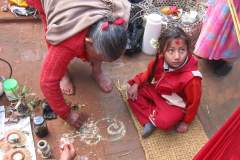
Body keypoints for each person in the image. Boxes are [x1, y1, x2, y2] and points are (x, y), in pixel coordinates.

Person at [27, 0, 131, 128]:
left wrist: (99, 61)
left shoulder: (117, 16)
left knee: (103, 46)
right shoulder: (67, 41)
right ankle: (63, 74)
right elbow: (47, 83)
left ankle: (96, 71)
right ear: (88, 42)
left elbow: (106, 42)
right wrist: (67, 114)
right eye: (101, 59)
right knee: (50, 28)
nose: (104, 61)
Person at [127, 27, 202, 138]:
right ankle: (152, 118)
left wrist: (186, 122)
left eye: (182, 50)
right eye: (171, 50)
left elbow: (194, 102)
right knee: (132, 93)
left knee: (164, 123)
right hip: (158, 91)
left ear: (188, 50)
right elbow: (148, 73)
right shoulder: (159, 60)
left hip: (175, 104)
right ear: (162, 51)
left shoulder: (192, 78)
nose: (177, 57)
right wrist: (137, 83)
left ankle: (150, 118)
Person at [194, 0, 240, 76]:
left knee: (233, 39)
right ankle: (206, 50)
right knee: (213, 27)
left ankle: (229, 63)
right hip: (224, 4)